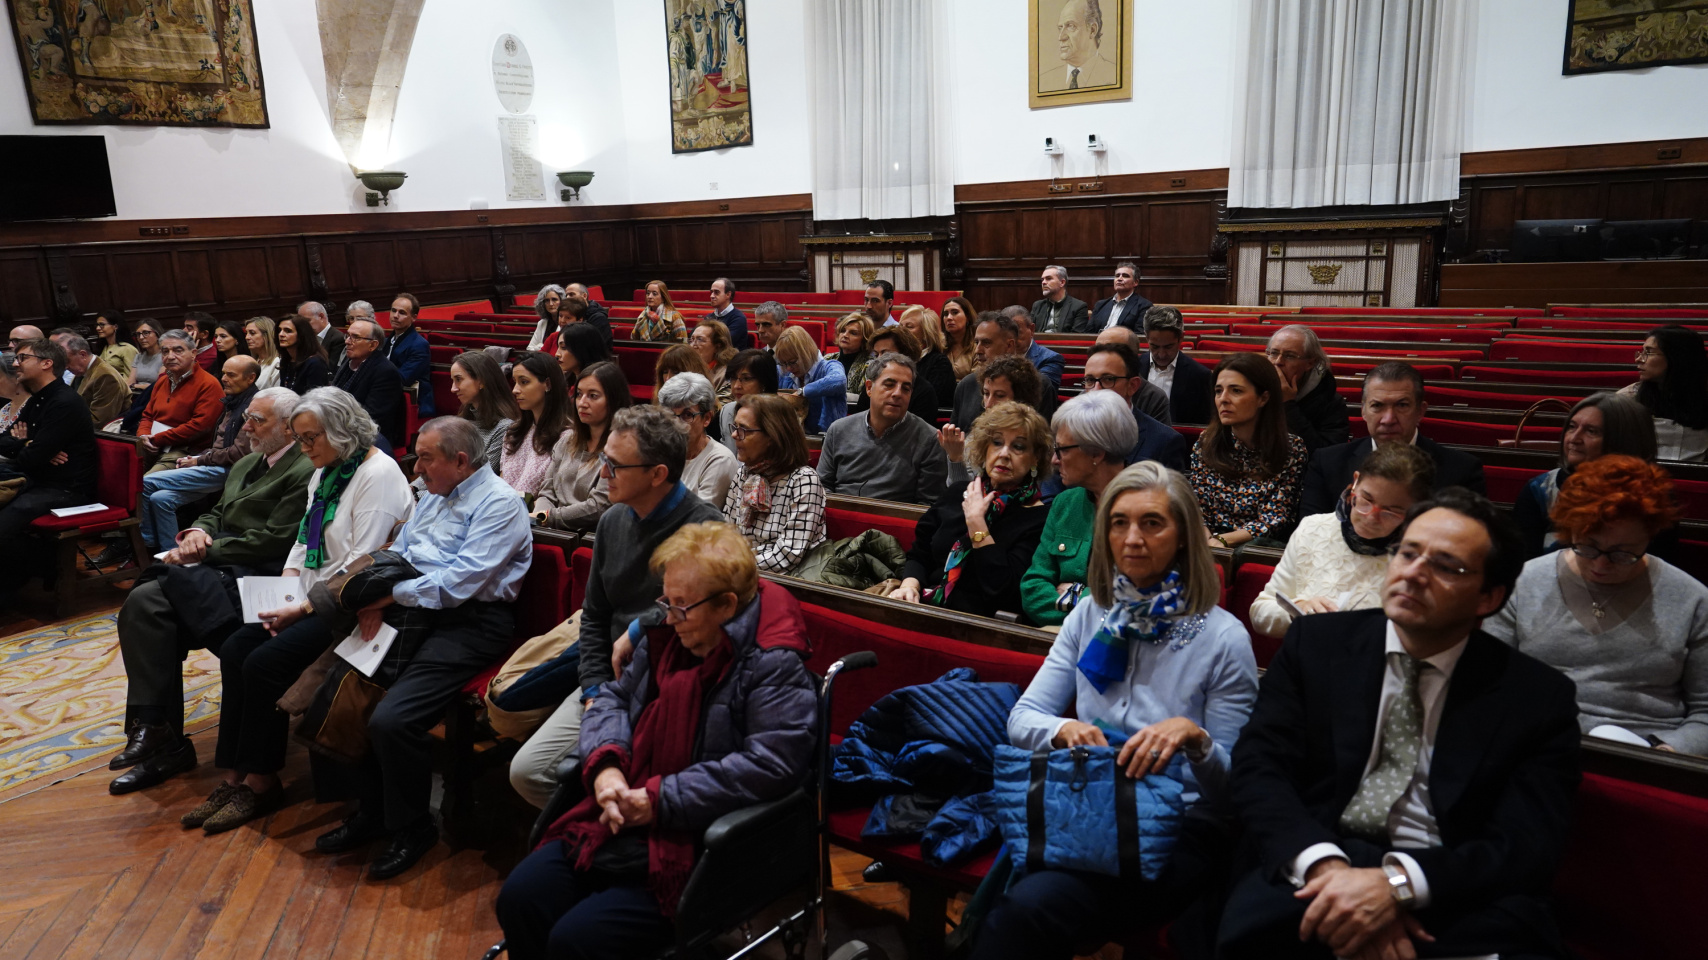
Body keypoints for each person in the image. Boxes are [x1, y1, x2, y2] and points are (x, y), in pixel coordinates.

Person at [1220, 489, 1581, 960]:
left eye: (1446, 566)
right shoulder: (1319, 644)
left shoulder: (1535, 697)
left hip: (1446, 883)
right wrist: (1329, 872)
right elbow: (1258, 767)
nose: (1413, 572)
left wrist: (1397, 885)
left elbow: (1525, 843)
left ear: (1489, 597)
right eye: (1408, 552)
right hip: (1318, 860)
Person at [496, 523, 817, 959]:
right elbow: (613, 698)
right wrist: (607, 766)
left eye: (681, 606)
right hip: (628, 812)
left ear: (726, 605)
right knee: (520, 897)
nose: (667, 617)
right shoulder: (670, 636)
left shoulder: (772, 664)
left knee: (576, 940)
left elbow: (771, 766)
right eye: (666, 601)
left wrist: (659, 798)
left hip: (704, 845)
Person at [979, 462, 1258, 960]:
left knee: (1028, 907)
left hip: (1181, 825)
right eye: (1118, 522)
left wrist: (1196, 740)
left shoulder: (1223, 637)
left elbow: (1234, 791)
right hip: (1088, 801)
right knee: (1026, 901)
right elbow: (1022, 720)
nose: (1132, 538)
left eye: (1152, 522)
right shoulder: (1089, 613)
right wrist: (1063, 729)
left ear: (1182, 537)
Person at [311, 416, 531, 881]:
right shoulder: (432, 495)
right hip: (413, 608)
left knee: (394, 719)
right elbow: (403, 553)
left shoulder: (501, 504)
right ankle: (371, 812)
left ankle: (413, 828)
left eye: (426, 456)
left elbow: (461, 582)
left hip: (470, 622)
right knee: (352, 695)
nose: (417, 465)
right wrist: (376, 600)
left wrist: (389, 597)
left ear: (461, 460)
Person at [509, 406, 726, 810]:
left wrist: (640, 629)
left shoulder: (705, 530)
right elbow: (594, 616)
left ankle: (611, 834)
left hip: (670, 686)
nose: (602, 473)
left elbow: (699, 630)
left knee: (625, 775)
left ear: (657, 474)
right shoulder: (612, 522)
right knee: (528, 771)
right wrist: (593, 690)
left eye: (613, 465)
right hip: (609, 679)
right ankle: (600, 826)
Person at [107, 388, 317, 797]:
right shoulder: (247, 463)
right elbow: (218, 512)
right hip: (220, 569)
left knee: (152, 597)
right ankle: (157, 731)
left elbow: (275, 540)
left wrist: (206, 549)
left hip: (263, 576)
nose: (246, 426)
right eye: (247, 418)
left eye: (259, 420)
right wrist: (199, 532)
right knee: (147, 604)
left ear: (289, 427)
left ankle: (160, 735)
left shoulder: (304, 469)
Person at [1486, 455, 1708, 757]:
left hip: (1647, 754)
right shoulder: (1524, 583)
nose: (1600, 565)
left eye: (1622, 553)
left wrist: (1665, 752)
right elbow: (1488, 685)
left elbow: (1705, 712)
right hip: (1534, 746)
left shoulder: (1692, 599)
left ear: (1650, 536)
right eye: (1587, 546)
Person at [1249, 442, 1435, 639]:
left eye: (1391, 511)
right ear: (1355, 482)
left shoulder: (1422, 557)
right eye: (1366, 500)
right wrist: (1297, 611)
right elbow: (1260, 611)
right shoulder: (1312, 529)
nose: (1371, 517)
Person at [893, 400, 1051, 621]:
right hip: (924, 605)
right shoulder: (958, 492)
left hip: (976, 625)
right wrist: (910, 584)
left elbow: (1004, 592)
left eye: (1018, 446)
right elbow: (920, 553)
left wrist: (977, 524)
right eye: (997, 442)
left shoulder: (1039, 518)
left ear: (1035, 458)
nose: (1004, 454)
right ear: (985, 449)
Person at [1299, 362, 1488, 518]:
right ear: (1363, 411)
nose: (1388, 419)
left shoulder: (1462, 471)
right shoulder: (1327, 462)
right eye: (1377, 406)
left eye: (1402, 405)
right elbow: (1309, 535)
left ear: (1420, 411)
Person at [1019, 390, 1139, 627]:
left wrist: (1071, 594)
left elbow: (1130, 602)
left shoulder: (1148, 511)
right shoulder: (1066, 503)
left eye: (1062, 449)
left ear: (1096, 453)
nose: (1055, 459)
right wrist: (1087, 597)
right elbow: (1032, 589)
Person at [129, 355, 262, 558]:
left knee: (146, 482)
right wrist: (198, 458)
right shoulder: (233, 400)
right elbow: (217, 445)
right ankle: (170, 554)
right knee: (160, 499)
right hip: (214, 464)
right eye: (224, 373)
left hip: (232, 471)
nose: (224, 378)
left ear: (250, 378)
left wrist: (199, 460)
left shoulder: (251, 407)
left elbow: (239, 454)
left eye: (231, 375)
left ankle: (145, 547)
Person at [0, 338, 96, 607]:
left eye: (22, 358)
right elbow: (6, 440)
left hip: (67, 488)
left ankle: (42, 565)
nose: (16, 363)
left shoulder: (64, 402)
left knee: (3, 527)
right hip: (40, 480)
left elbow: (30, 458)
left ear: (46, 363)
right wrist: (27, 443)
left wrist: (29, 446)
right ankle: (27, 571)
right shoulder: (38, 399)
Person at [1513, 392, 1657, 557]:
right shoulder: (1539, 490)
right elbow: (1523, 566)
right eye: (1572, 427)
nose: (1574, 438)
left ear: (1623, 440)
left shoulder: (1651, 497)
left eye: (1591, 431)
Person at [1189, 353, 1308, 548]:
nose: (1223, 399)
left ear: (1263, 398)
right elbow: (1196, 508)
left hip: (1256, 546)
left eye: (1236, 391)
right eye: (1218, 391)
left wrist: (1220, 542)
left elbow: (1276, 518)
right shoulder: (1206, 442)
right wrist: (1206, 541)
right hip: (1206, 541)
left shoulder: (1291, 448)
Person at [817, 353, 947, 504]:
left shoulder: (929, 439)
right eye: (889, 384)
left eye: (906, 388)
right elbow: (822, 488)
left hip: (895, 523)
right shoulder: (838, 430)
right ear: (869, 388)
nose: (897, 393)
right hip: (839, 518)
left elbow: (927, 506)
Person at [722, 394, 827, 575]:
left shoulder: (803, 480)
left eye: (743, 429)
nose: (734, 435)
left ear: (772, 435)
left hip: (782, 580)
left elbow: (787, 556)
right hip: (738, 571)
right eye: (735, 427)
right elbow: (726, 531)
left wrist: (732, 564)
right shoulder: (744, 474)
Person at [532, 362, 631, 532]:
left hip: (591, 536)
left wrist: (544, 517)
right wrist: (540, 517)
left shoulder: (622, 447)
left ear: (613, 399)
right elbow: (547, 490)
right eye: (579, 394)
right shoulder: (567, 440)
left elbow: (598, 507)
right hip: (549, 529)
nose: (582, 403)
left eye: (593, 396)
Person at [137, 329, 224, 472]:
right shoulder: (163, 381)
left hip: (185, 450)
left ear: (193, 353)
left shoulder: (208, 384)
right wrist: (143, 436)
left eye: (178, 351)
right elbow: (147, 415)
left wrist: (157, 439)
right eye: (165, 352)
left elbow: (200, 426)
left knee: (146, 483)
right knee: (120, 475)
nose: (170, 356)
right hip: (152, 444)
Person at [1621, 325, 1708, 461]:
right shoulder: (1628, 399)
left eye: (1648, 352)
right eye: (1642, 352)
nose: (1639, 359)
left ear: (1676, 357)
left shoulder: (1703, 398)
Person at [659, 371, 740, 506]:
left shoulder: (719, 460)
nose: (677, 423)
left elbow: (699, 519)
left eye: (687, 415)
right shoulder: (661, 451)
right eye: (671, 415)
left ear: (707, 418)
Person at [501, 352, 573, 499]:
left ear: (547, 384)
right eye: (515, 381)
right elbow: (501, 484)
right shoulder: (513, 431)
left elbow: (557, 496)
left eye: (524, 382)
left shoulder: (567, 436)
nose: (515, 390)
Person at [1266, 325, 1348, 452]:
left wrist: (1288, 405)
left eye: (1289, 356)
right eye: (1274, 353)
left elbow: (1325, 453)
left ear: (1310, 363)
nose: (1278, 361)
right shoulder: (1254, 388)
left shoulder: (1330, 402)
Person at [332, 318, 405, 454]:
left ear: (373, 345)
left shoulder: (385, 372)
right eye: (347, 335)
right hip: (340, 430)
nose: (347, 341)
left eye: (355, 338)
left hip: (368, 440)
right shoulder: (349, 362)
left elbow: (371, 417)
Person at [1136, 306, 1214, 425]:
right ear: (1146, 337)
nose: (1161, 354)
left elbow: (1203, 423)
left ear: (1181, 338)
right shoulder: (1134, 368)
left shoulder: (1199, 375)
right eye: (1155, 347)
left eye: (1168, 347)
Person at [447, 350, 520, 469]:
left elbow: (477, 475)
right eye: (453, 381)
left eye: (458, 379)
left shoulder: (505, 428)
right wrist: (413, 487)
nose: (453, 389)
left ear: (481, 381)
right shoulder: (462, 422)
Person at [950, 312, 1023, 431]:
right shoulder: (966, 385)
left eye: (986, 343)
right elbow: (955, 435)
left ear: (1009, 345)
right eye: (976, 343)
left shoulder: (1037, 384)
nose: (978, 350)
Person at [855, 324, 941, 422]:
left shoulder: (924, 392)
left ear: (905, 354)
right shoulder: (873, 384)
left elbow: (920, 433)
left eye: (885, 353)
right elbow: (860, 423)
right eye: (876, 354)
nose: (879, 359)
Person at [771, 325, 847, 434]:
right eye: (784, 363)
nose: (788, 368)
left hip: (828, 441)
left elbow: (839, 381)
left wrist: (802, 391)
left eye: (792, 362)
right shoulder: (785, 373)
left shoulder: (830, 366)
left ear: (805, 353)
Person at [1082, 340, 1173, 426]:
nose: (1096, 389)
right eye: (1090, 380)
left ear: (1132, 386)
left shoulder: (1164, 440)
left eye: (1108, 379)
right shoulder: (1070, 430)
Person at [52, 329, 129, 425]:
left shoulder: (106, 376)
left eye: (67, 361)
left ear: (83, 354)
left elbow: (99, 421)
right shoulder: (83, 371)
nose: (66, 367)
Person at [1043, 0, 1118, 91]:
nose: (1061, 37)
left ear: (1092, 30)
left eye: (1071, 26)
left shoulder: (1115, 75)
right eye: (1060, 28)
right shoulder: (1045, 81)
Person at [714, 349, 777, 451]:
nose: (736, 386)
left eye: (746, 379)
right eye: (733, 378)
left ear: (764, 383)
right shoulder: (727, 411)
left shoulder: (779, 415)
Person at [898, 305, 959, 410]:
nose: (901, 331)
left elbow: (929, 401)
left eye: (909, 326)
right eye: (900, 326)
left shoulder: (939, 363)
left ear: (926, 333)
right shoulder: (897, 360)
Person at [385, 293, 435, 417]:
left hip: (413, 403)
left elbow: (402, 379)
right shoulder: (386, 340)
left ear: (413, 318)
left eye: (402, 313)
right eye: (393, 311)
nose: (395, 316)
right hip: (390, 396)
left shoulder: (419, 345)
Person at [1008, 304, 1066, 391]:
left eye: (1017, 333)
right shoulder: (997, 355)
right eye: (1006, 335)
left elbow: (1041, 391)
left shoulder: (1051, 359)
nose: (1012, 339)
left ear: (1031, 329)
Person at [1088, 260, 1154, 333]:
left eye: (1125, 276)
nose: (1119, 279)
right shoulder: (1100, 305)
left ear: (1135, 282)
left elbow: (1139, 335)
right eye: (1117, 276)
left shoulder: (1144, 306)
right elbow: (1088, 332)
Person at [276, 312, 332, 394]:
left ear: (301, 334)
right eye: (279, 330)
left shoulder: (315, 363)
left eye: (288, 331)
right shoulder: (286, 360)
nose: (281, 334)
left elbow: (315, 399)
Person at [828, 313, 875, 404]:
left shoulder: (870, 365)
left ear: (865, 339)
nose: (845, 335)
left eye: (853, 333)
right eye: (843, 331)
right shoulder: (828, 359)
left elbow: (864, 400)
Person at [1030, 265, 1089, 333]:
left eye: (1048, 278)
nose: (1043, 282)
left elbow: (1076, 337)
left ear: (1062, 282)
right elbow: (1030, 331)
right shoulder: (1038, 305)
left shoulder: (1078, 307)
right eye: (1042, 279)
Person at [689, 319, 737, 402]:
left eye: (700, 339)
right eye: (692, 339)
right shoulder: (687, 369)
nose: (693, 345)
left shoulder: (727, 374)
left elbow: (720, 408)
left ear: (718, 346)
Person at [93, 308, 138, 383]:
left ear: (115, 326)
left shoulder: (127, 349)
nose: (97, 328)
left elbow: (131, 378)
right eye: (97, 325)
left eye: (102, 325)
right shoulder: (103, 347)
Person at [299, 300, 345, 369]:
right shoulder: (306, 338)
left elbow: (331, 368)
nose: (303, 326)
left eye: (306, 321)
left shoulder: (338, 338)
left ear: (321, 317)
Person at [707, 276, 751, 350]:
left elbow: (724, 342)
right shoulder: (709, 317)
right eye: (711, 292)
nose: (712, 296)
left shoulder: (738, 318)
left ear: (728, 295)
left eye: (716, 292)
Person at [942, 295, 979, 380]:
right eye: (946, 314)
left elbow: (976, 381)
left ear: (968, 317)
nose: (949, 318)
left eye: (955, 312)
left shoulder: (977, 346)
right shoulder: (939, 345)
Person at [526, 283, 567, 352]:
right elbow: (530, 348)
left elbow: (558, 349)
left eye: (554, 300)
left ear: (562, 301)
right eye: (547, 300)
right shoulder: (542, 323)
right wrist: (545, 347)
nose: (551, 304)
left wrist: (540, 346)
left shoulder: (565, 322)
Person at [129, 318, 165, 393]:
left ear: (157, 334)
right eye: (138, 334)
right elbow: (130, 382)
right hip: (137, 395)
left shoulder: (165, 356)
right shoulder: (138, 357)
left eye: (146, 333)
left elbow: (159, 384)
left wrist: (136, 386)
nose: (141, 337)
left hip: (155, 395)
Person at [244, 317, 281, 390]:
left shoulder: (277, 363)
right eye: (246, 333)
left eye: (252, 333)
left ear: (266, 335)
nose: (247, 337)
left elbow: (277, 395)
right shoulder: (254, 362)